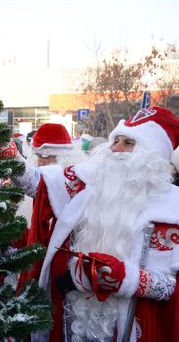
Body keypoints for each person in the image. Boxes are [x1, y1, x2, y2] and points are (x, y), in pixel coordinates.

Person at [22, 107, 179, 341]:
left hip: (136, 326)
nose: (115, 149)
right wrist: (3, 155)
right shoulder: (88, 182)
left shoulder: (172, 208)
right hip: (76, 319)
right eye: (115, 140)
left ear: (151, 155)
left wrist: (124, 278)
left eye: (128, 143)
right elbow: (38, 185)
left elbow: (171, 289)